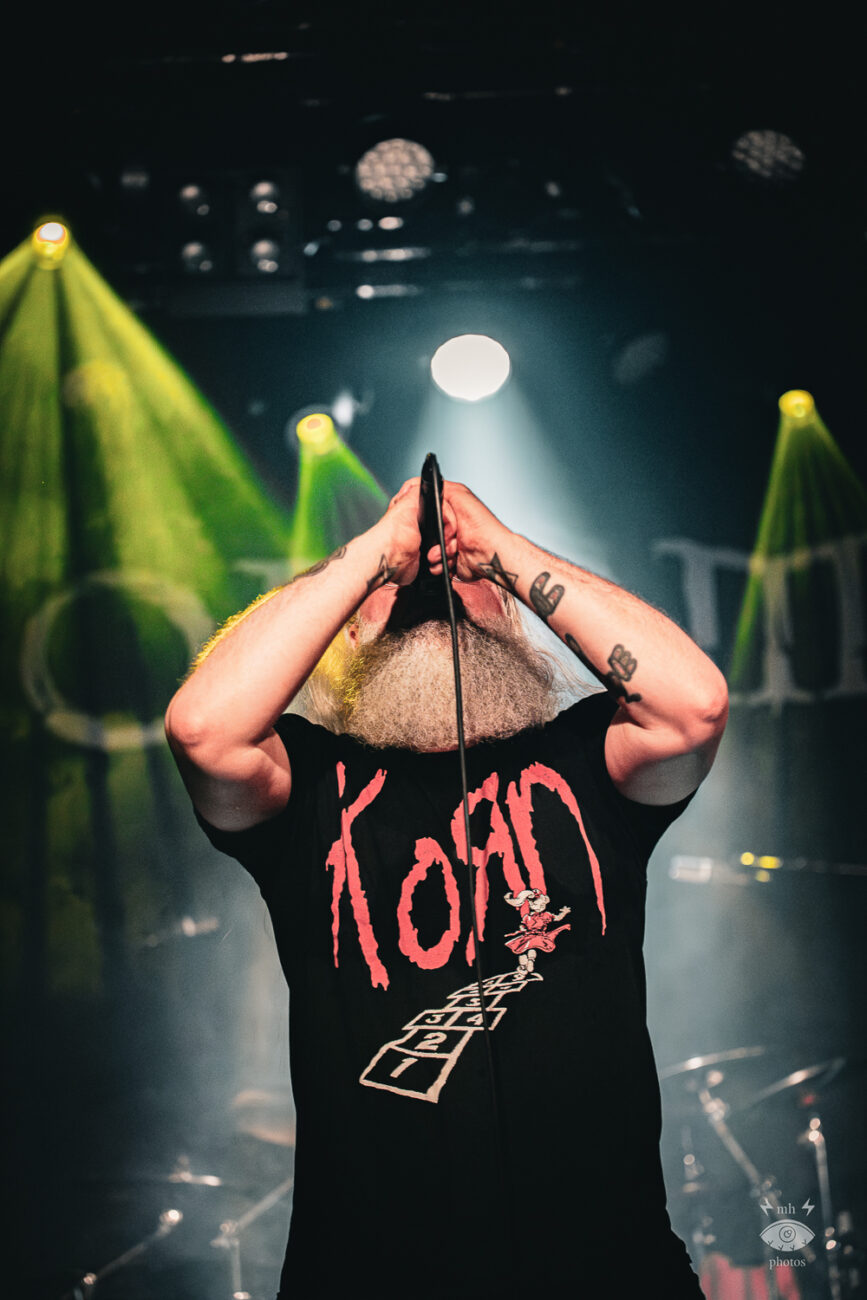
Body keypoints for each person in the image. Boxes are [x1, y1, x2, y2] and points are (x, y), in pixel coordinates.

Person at [165, 477, 728, 1300]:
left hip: (610, 1268)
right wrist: (373, 554)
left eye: (463, 580)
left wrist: (499, 547)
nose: (428, 587)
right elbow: (201, 731)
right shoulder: (307, 783)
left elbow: (694, 708)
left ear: (515, 614)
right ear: (345, 630)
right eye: (394, 590)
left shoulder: (588, 759)